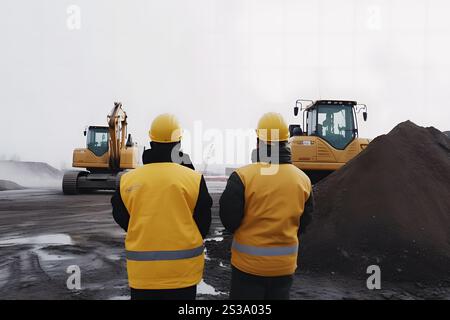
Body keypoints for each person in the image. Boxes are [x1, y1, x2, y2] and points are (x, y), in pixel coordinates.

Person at [111, 113, 212, 300]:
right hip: (183, 276)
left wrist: (140, 228)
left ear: (151, 141)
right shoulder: (194, 179)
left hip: (143, 276)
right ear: (179, 143)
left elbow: (120, 214)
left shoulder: (128, 180)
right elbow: (203, 223)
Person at [219, 112, 314, 300]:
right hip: (284, 268)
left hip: (248, 267)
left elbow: (229, 221)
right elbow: (304, 222)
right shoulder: (303, 180)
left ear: (258, 142)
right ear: (286, 142)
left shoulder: (243, 177)